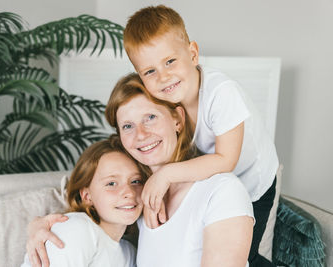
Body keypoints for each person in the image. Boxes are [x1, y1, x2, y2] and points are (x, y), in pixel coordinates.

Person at [26, 73, 254, 267]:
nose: (141, 135)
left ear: (177, 119)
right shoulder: (140, 208)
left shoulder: (222, 191)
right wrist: (39, 225)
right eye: (128, 126)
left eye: (151, 117)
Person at [123, 5, 279, 266]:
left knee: (244, 254)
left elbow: (225, 160)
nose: (163, 77)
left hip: (253, 182)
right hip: (211, 181)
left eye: (170, 61)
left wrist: (165, 176)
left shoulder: (221, 93)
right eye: (150, 71)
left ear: (193, 53)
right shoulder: (165, 100)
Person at [21, 136, 144, 267]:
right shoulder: (78, 229)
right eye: (112, 183)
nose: (130, 192)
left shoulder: (128, 253)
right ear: (87, 196)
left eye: (135, 181)